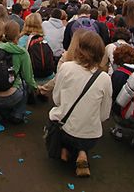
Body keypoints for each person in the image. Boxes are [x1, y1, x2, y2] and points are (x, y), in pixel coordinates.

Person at [49, 31, 112, 177]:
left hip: (66, 130)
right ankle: (82, 153)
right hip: (91, 135)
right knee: (82, 129)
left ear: (79, 48)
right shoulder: (105, 78)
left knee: (59, 117)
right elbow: (104, 115)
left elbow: (56, 99)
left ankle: (64, 148)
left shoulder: (66, 67)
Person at [110, 45, 134, 150]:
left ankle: (119, 130)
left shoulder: (119, 73)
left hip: (123, 116)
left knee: (117, 102)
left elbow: (114, 98)